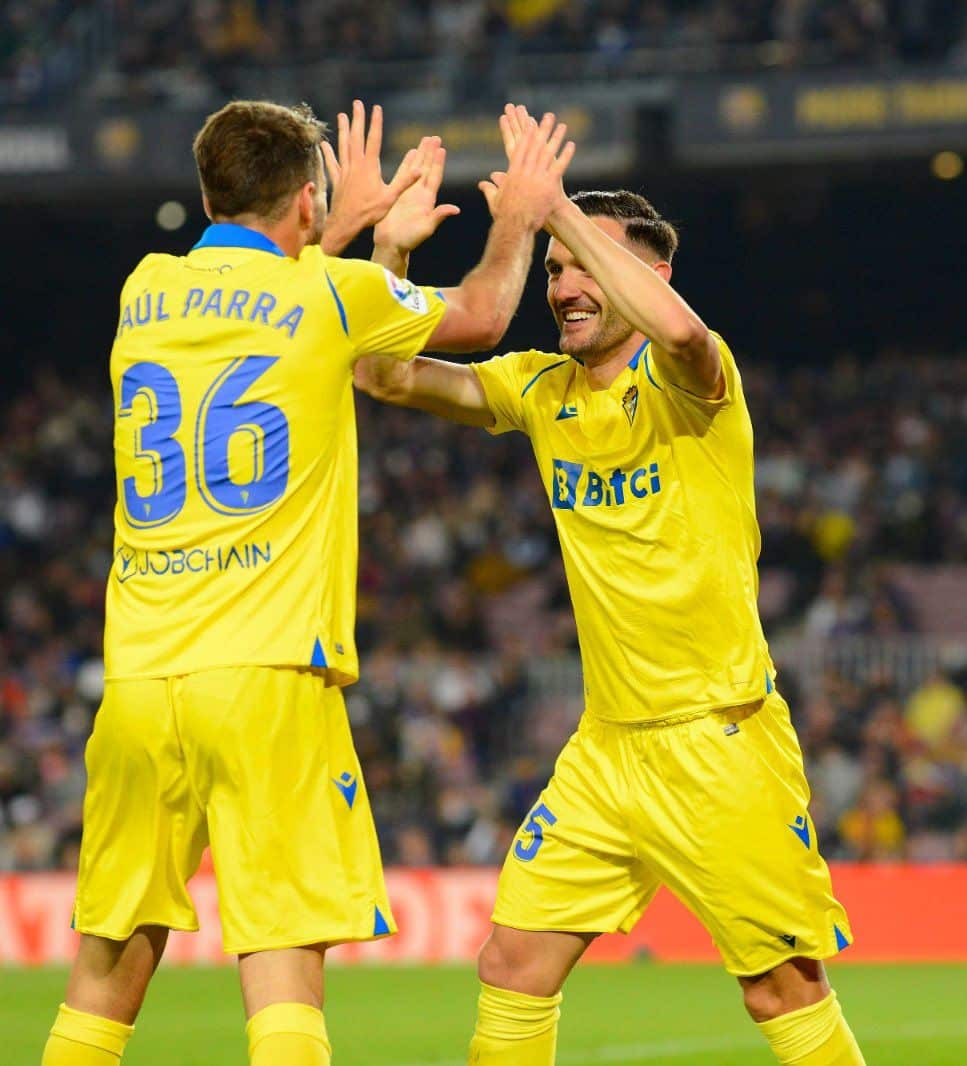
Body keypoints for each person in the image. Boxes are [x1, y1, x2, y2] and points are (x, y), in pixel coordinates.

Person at [41, 99, 574, 1066]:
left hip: (136, 681)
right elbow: (485, 316)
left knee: (107, 962)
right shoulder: (330, 295)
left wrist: (339, 225)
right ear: (304, 197)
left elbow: (258, 291)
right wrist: (521, 217)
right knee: (281, 955)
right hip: (267, 673)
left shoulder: (145, 288)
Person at [355, 104, 866, 1066]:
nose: (563, 285)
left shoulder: (694, 389)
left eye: (581, 265)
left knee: (780, 989)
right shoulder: (539, 390)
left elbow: (680, 333)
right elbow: (382, 377)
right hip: (605, 752)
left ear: (645, 271)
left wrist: (557, 214)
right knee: (511, 963)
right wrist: (389, 247)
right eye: (551, 271)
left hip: (717, 739)